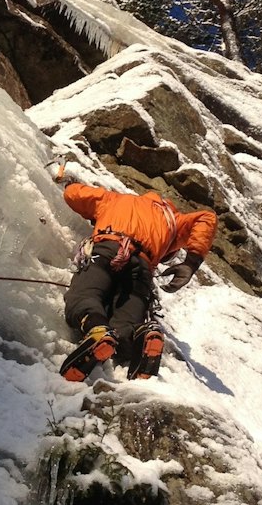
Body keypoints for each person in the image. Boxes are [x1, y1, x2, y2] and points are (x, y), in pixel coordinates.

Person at [49, 163, 217, 383]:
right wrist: (191, 262)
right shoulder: (173, 221)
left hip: (109, 248)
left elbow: (75, 194)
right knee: (125, 324)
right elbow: (206, 219)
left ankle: (96, 329)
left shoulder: (115, 199)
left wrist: (68, 182)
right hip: (142, 268)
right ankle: (140, 336)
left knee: (83, 297)